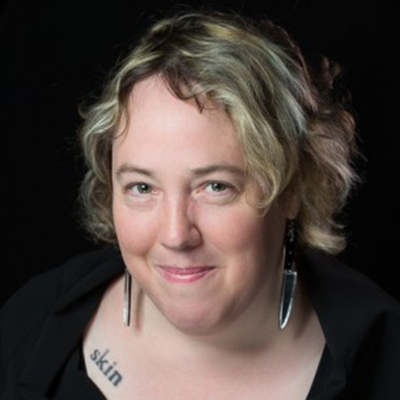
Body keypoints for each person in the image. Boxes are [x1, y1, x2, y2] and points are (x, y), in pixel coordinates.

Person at [1, 9, 399, 400]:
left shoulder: (385, 360)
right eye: (142, 187)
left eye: (215, 186)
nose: (176, 234)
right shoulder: (28, 323)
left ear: (291, 189)